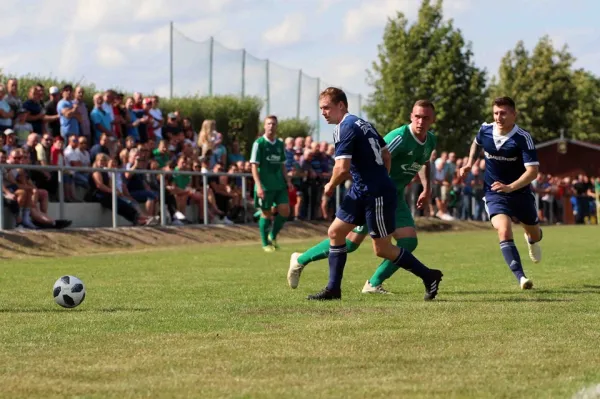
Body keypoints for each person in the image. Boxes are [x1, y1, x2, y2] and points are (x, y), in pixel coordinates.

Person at [288, 100, 439, 295]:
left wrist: (427, 189)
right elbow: (378, 156)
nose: (421, 121)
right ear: (411, 116)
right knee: (350, 242)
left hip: (394, 196)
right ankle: (301, 260)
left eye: (426, 118)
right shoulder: (400, 138)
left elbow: (424, 162)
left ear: (432, 120)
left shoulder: (431, 140)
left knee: (408, 242)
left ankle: (373, 284)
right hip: (374, 196)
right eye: (417, 116)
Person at [459, 96, 542, 290]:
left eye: (503, 113)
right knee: (503, 230)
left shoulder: (523, 138)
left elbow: (533, 172)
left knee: (535, 234)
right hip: (494, 192)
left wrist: (511, 187)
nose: (498, 117)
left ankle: (531, 240)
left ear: (514, 114)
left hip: (520, 193)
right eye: (496, 113)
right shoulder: (485, 130)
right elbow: (476, 143)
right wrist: (469, 163)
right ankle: (521, 277)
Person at [250, 115, 293, 252]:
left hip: (279, 185)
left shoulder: (280, 144)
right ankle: (265, 244)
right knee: (266, 214)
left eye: (273, 124)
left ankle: (272, 235)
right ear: (264, 126)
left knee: (285, 211)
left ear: (276, 126)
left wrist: (288, 181)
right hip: (265, 185)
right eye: (268, 124)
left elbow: (282, 165)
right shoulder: (259, 143)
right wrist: (258, 186)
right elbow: (254, 166)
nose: (271, 126)